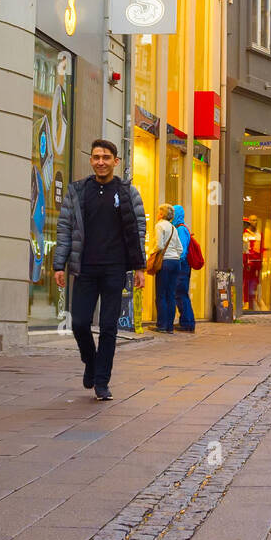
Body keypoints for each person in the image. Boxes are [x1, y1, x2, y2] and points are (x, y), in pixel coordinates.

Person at [53, 138, 146, 402]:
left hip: (115, 269)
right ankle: (91, 362)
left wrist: (139, 266)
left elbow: (138, 228)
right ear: (91, 160)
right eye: (96, 157)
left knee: (108, 327)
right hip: (85, 268)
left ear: (116, 161)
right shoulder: (77, 191)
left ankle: (102, 381)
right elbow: (64, 229)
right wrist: (59, 264)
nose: (101, 162)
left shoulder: (128, 192)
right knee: (80, 323)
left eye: (106, 157)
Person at [151, 204, 184, 333]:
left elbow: (159, 245)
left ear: (161, 214)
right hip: (176, 262)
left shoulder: (159, 225)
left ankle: (161, 325)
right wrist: (174, 255)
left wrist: (151, 253)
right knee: (170, 294)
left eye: (159, 212)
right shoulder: (173, 228)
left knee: (161, 294)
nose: (157, 214)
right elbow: (180, 248)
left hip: (164, 263)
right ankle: (170, 326)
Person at [171, 205, 195, 333]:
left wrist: (178, 261)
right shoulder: (181, 228)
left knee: (180, 293)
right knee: (181, 293)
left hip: (182, 265)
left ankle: (187, 323)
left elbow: (182, 249)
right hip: (184, 265)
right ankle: (187, 322)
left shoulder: (180, 229)